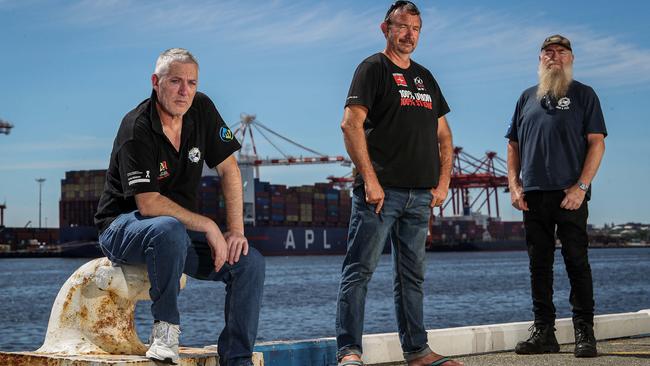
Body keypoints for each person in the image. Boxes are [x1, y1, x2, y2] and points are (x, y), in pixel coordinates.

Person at [94, 48, 265, 366]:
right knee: (167, 226)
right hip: (122, 227)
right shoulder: (137, 128)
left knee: (249, 262)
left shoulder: (202, 109)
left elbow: (229, 168)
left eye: (191, 82)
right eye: (175, 82)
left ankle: (237, 357)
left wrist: (236, 231)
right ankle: (165, 333)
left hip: (173, 235)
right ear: (156, 82)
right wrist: (210, 226)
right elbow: (148, 204)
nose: (184, 91)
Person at [335, 2, 461, 366]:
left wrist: (443, 183)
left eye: (416, 29)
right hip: (380, 194)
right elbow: (350, 124)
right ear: (385, 28)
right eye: (402, 27)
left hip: (420, 196)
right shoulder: (372, 69)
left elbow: (444, 135)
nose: (409, 35)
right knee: (359, 272)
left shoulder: (425, 77)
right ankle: (349, 353)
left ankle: (418, 352)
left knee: (412, 278)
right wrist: (371, 181)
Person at [506, 34, 607, 358]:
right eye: (548, 52)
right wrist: (514, 185)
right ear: (540, 60)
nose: (554, 57)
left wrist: (581, 187)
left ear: (571, 59)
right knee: (539, 265)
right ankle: (544, 332)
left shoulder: (584, 95)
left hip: (569, 194)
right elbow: (513, 145)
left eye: (561, 52)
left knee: (577, 262)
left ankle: (584, 332)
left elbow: (596, 143)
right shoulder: (526, 98)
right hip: (533, 194)